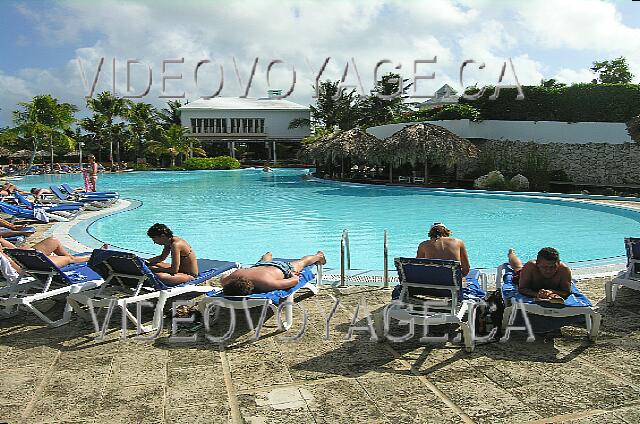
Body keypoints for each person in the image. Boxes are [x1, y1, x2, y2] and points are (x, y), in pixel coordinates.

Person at [221, 251, 326, 296]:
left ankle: (319, 256)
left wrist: (293, 274)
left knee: (302, 262)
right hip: (259, 267)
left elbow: (294, 280)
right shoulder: (230, 278)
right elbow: (223, 278)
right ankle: (268, 254)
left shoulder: (267, 284)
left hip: (280, 268)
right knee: (264, 262)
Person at [0, 236, 95, 273]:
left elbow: (11, 249)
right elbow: (8, 263)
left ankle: (71, 258)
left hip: (23, 256)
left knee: (53, 241)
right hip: (25, 265)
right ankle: (93, 257)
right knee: (68, 259)